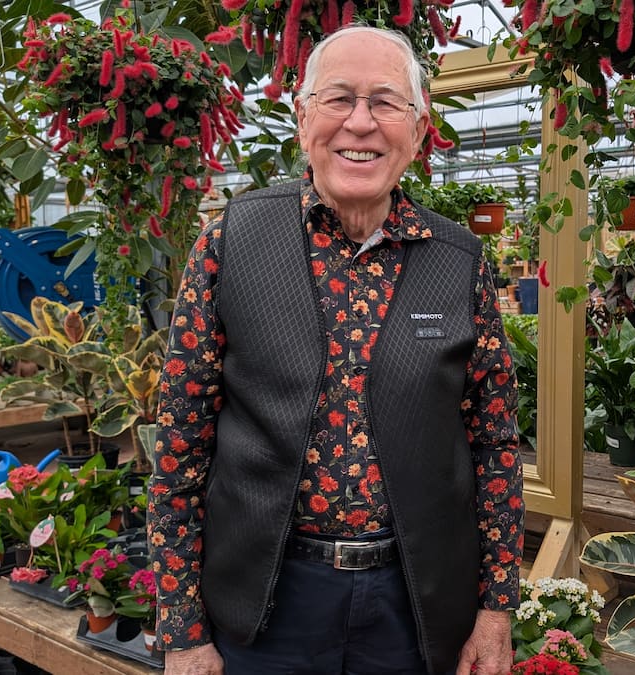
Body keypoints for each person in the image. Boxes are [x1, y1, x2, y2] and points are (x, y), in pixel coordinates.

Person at [148, 24, 524, 675]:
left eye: (385, 102)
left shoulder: (459, 261)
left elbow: (494, 445)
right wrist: (182, 629)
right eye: (340, 98)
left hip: (415, 605)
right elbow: (181, 443)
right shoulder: (232, 242)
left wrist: (495, 611)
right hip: (266, 606)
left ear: (419, 129)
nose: (361, 122)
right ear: (303, 120)